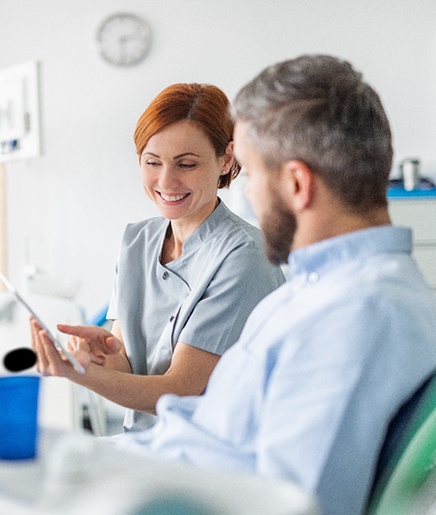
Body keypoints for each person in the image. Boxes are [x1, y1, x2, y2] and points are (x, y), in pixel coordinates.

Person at [101, 55, 436, 515]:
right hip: (154, 466)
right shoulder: (322, 291)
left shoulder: (356, 316)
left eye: (253, 175)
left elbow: (292, 503)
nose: (247, 195)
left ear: (297, 184)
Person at [31, 83, 283, 432]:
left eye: (187, 164)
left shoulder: (244, 255)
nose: (167, 181)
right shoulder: (137, 241)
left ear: (226, 159)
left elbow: (178, 391)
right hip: (146, 445)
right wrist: (99, 356)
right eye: (153, 162)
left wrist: (81, 375)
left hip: (210, 457)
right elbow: (128, 366)